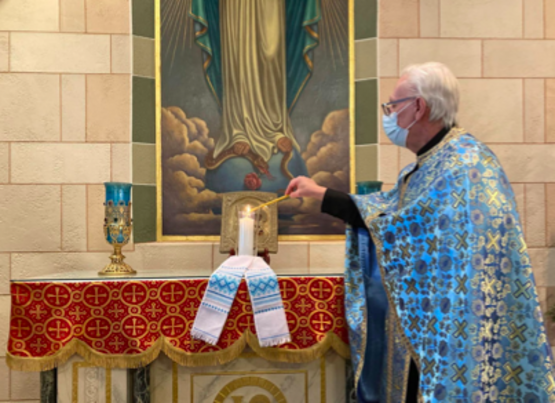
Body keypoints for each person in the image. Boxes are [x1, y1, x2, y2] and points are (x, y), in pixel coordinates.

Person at [286, 62, 555, 402]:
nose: (388, 115)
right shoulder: (429, 165)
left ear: (419, 108)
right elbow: (393, 218)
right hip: (429, 329)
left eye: (392, 106)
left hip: (458, 334)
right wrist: (320, 195)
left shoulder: (467, 166)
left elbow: (399, 227)